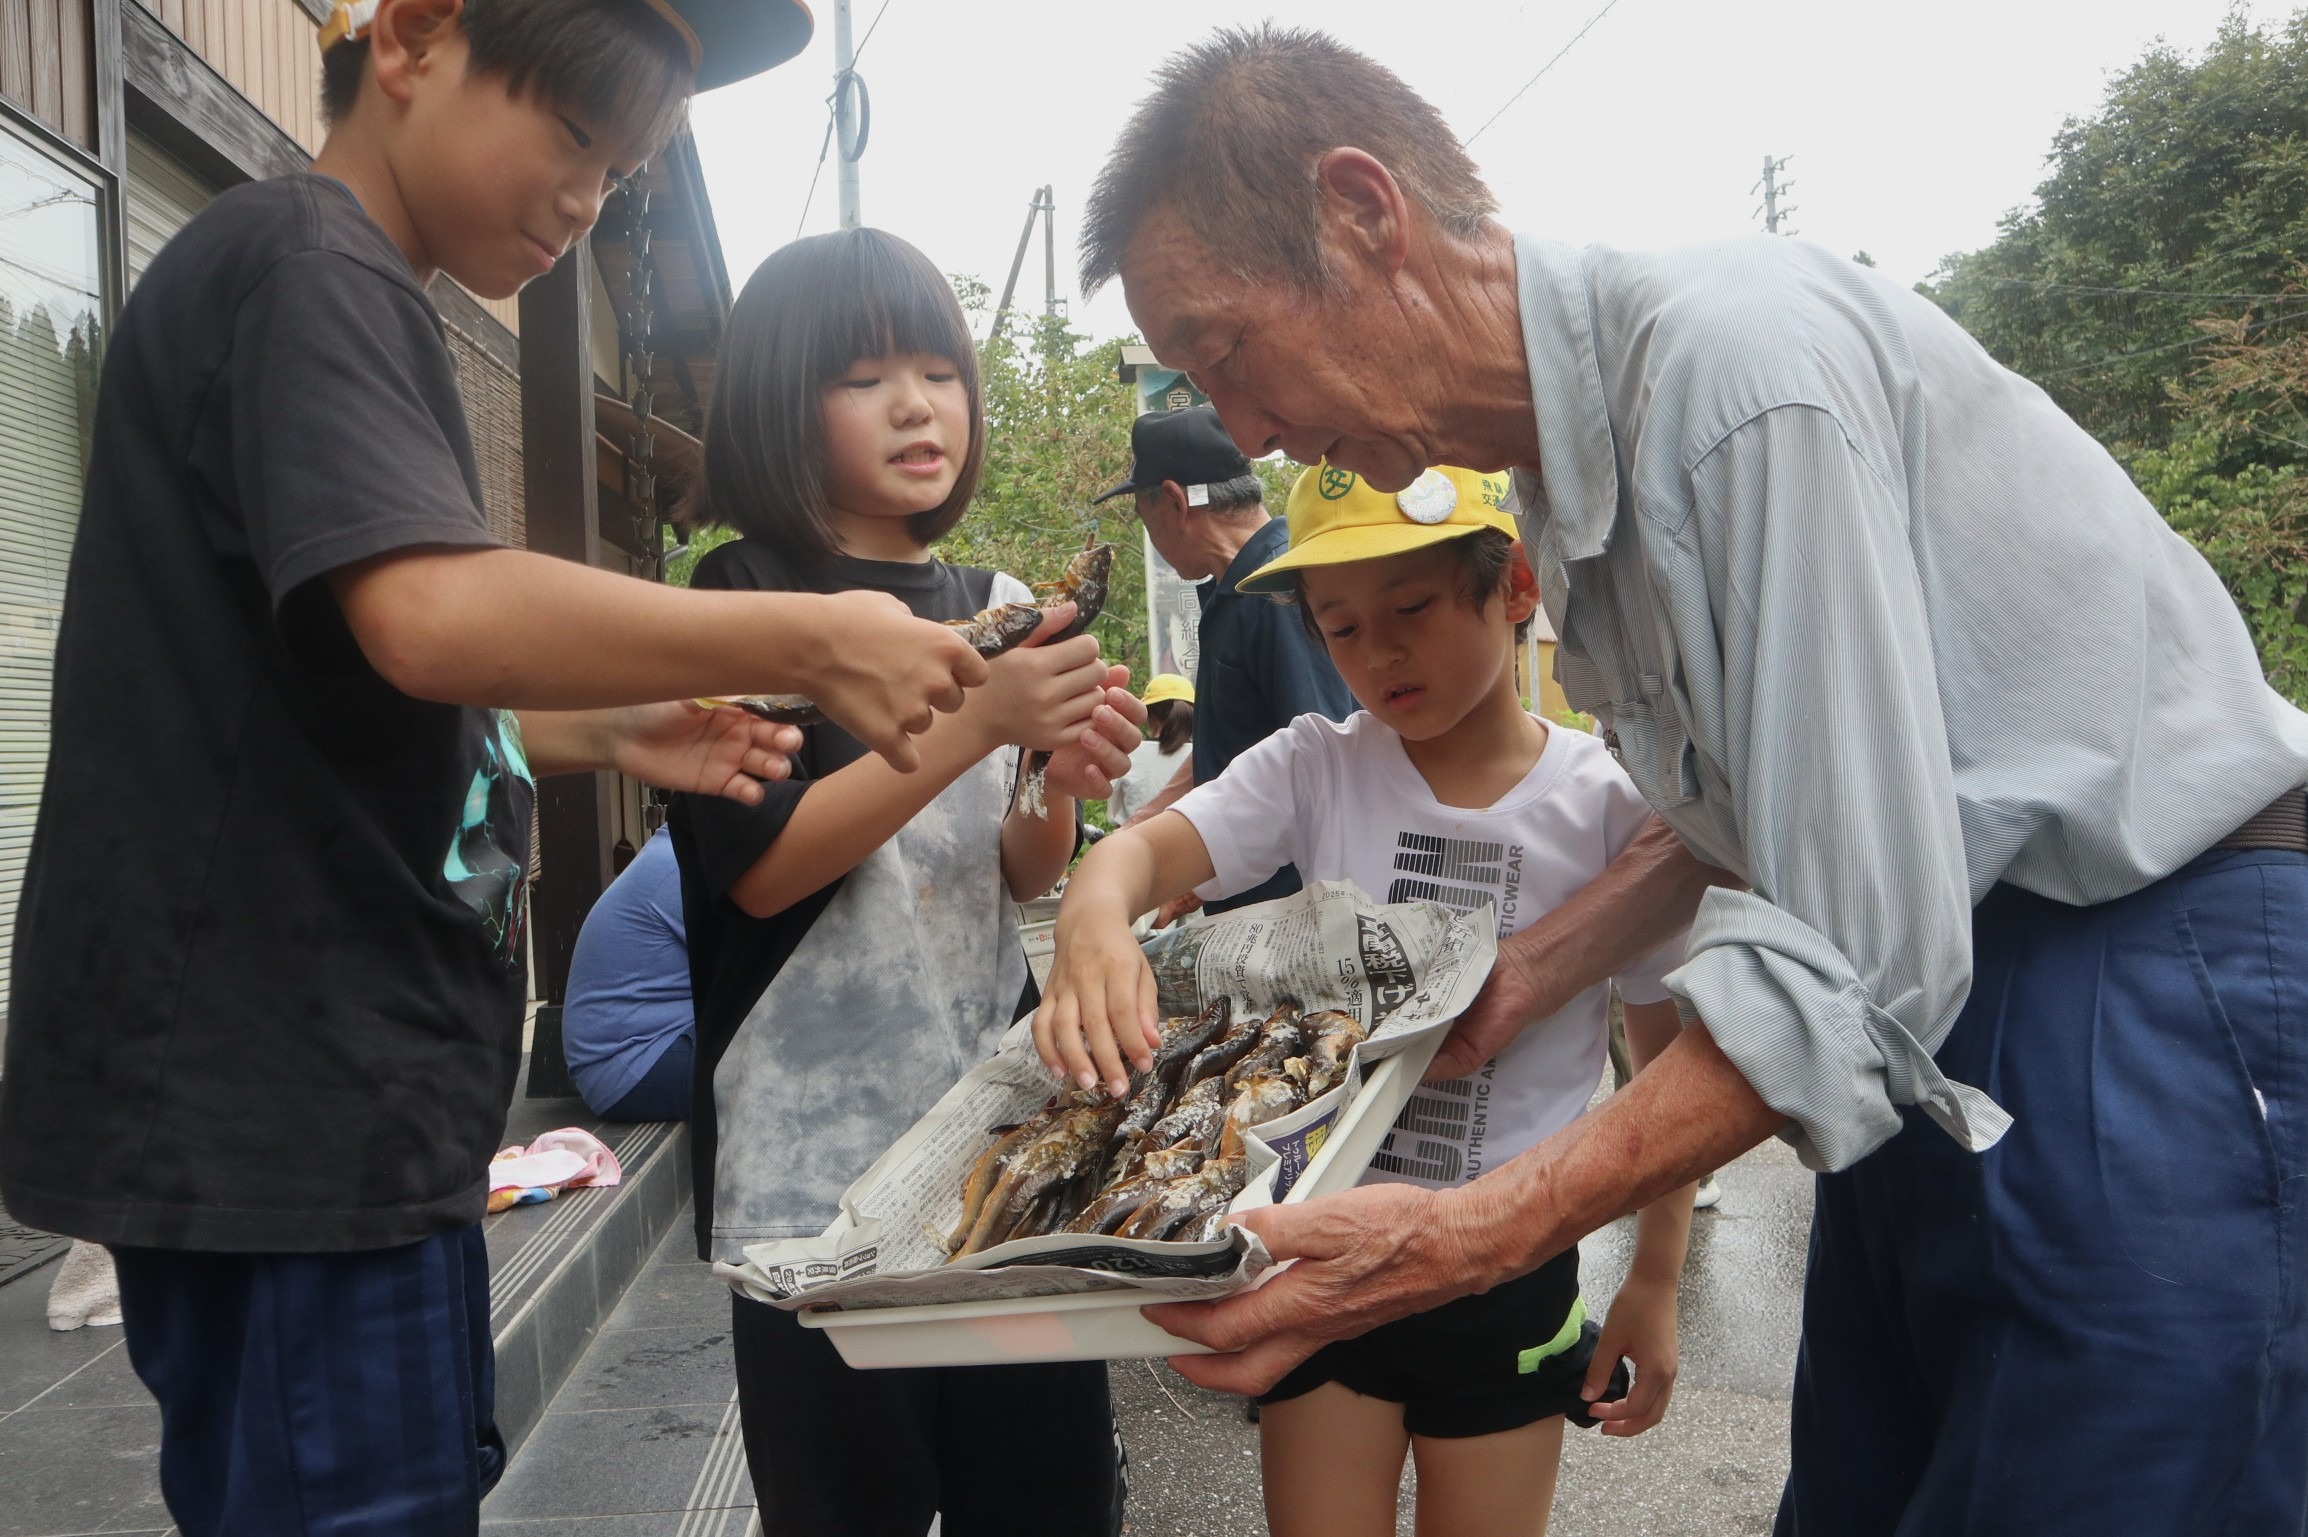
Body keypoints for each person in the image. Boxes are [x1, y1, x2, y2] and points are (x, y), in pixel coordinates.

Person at [1078, 27, 2308, 1534]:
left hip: (2139, 970)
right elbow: (1740, 826)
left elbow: (1864, 950)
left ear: (1361, 212)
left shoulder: (1734, 378)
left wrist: (1480, 1231)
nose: (1247, 430)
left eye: (1229, 351)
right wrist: (1533, 970)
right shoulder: (1574, 482)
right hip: (1924, 1024)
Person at [0, 3, 997, 1531]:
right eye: (576, 137)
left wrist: (603, 729)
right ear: (411, 38)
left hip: (350, 1111)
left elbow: (328, 684)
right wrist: (813, 634)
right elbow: (429, 613)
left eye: (624, 171)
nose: (588, 201)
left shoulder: (341, 289)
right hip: (291, 1101)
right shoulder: (307, 264)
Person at [1040, 464, 1695, 1537]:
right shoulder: (1314, 767)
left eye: (1412, 610)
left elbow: (1662, 1056)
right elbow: (1140, 858)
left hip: (1509, 1268)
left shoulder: (1613, 812)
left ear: (1515, 585)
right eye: (1339, 627)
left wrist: (1655, 1282)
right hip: (1324, 1258)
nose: (1378, 653)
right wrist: (1089, 913)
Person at [666, 226, 1141, 1537]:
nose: (919, 403)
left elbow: (1017, 866)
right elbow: (763, 872)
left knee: (1043, 1494)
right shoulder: (743, 598)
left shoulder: (988, 596)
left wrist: (1058, 774)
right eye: (866, 374)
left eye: (938, 369)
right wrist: (982, 722)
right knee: (848, 1504)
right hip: (811, 1161)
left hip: (1000, 1137)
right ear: (778, 399)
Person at [1094, 406, 1355, 909]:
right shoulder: (1232, 589)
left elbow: (1323, 762)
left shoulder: (1276, 591)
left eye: (1142, 516)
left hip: (1294, 914)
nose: (1149, 532)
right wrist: (1137, 835)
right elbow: (1231, 752)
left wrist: (1191, 872)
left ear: (1174, 502)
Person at [564, 830, 695, 1121]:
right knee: (782, 1064)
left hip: (640, 1048)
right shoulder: (680, 864)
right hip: (629, 1063)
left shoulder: (677, 849)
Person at [1105, 672, 1194, 824]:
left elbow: (1115, 813)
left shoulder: (1129, 754)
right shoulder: (1204, 756)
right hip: (1192, 844)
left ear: (1147, 715)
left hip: (1135, 842)